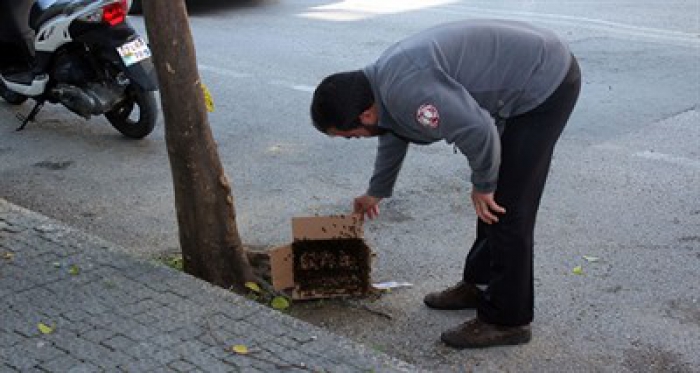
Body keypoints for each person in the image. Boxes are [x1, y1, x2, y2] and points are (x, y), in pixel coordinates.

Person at [310, 19, 581, 349]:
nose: (354, 139)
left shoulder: (409, 91)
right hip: (524, 67)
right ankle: (480, 284)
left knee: (505, 207)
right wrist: (376, 191)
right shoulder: (380, 87)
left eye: (349, 136)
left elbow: (477, 130)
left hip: (544, 82)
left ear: (365, 115)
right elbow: (395, 132)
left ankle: (507, 320)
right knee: (495, 201)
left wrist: (483, 184)